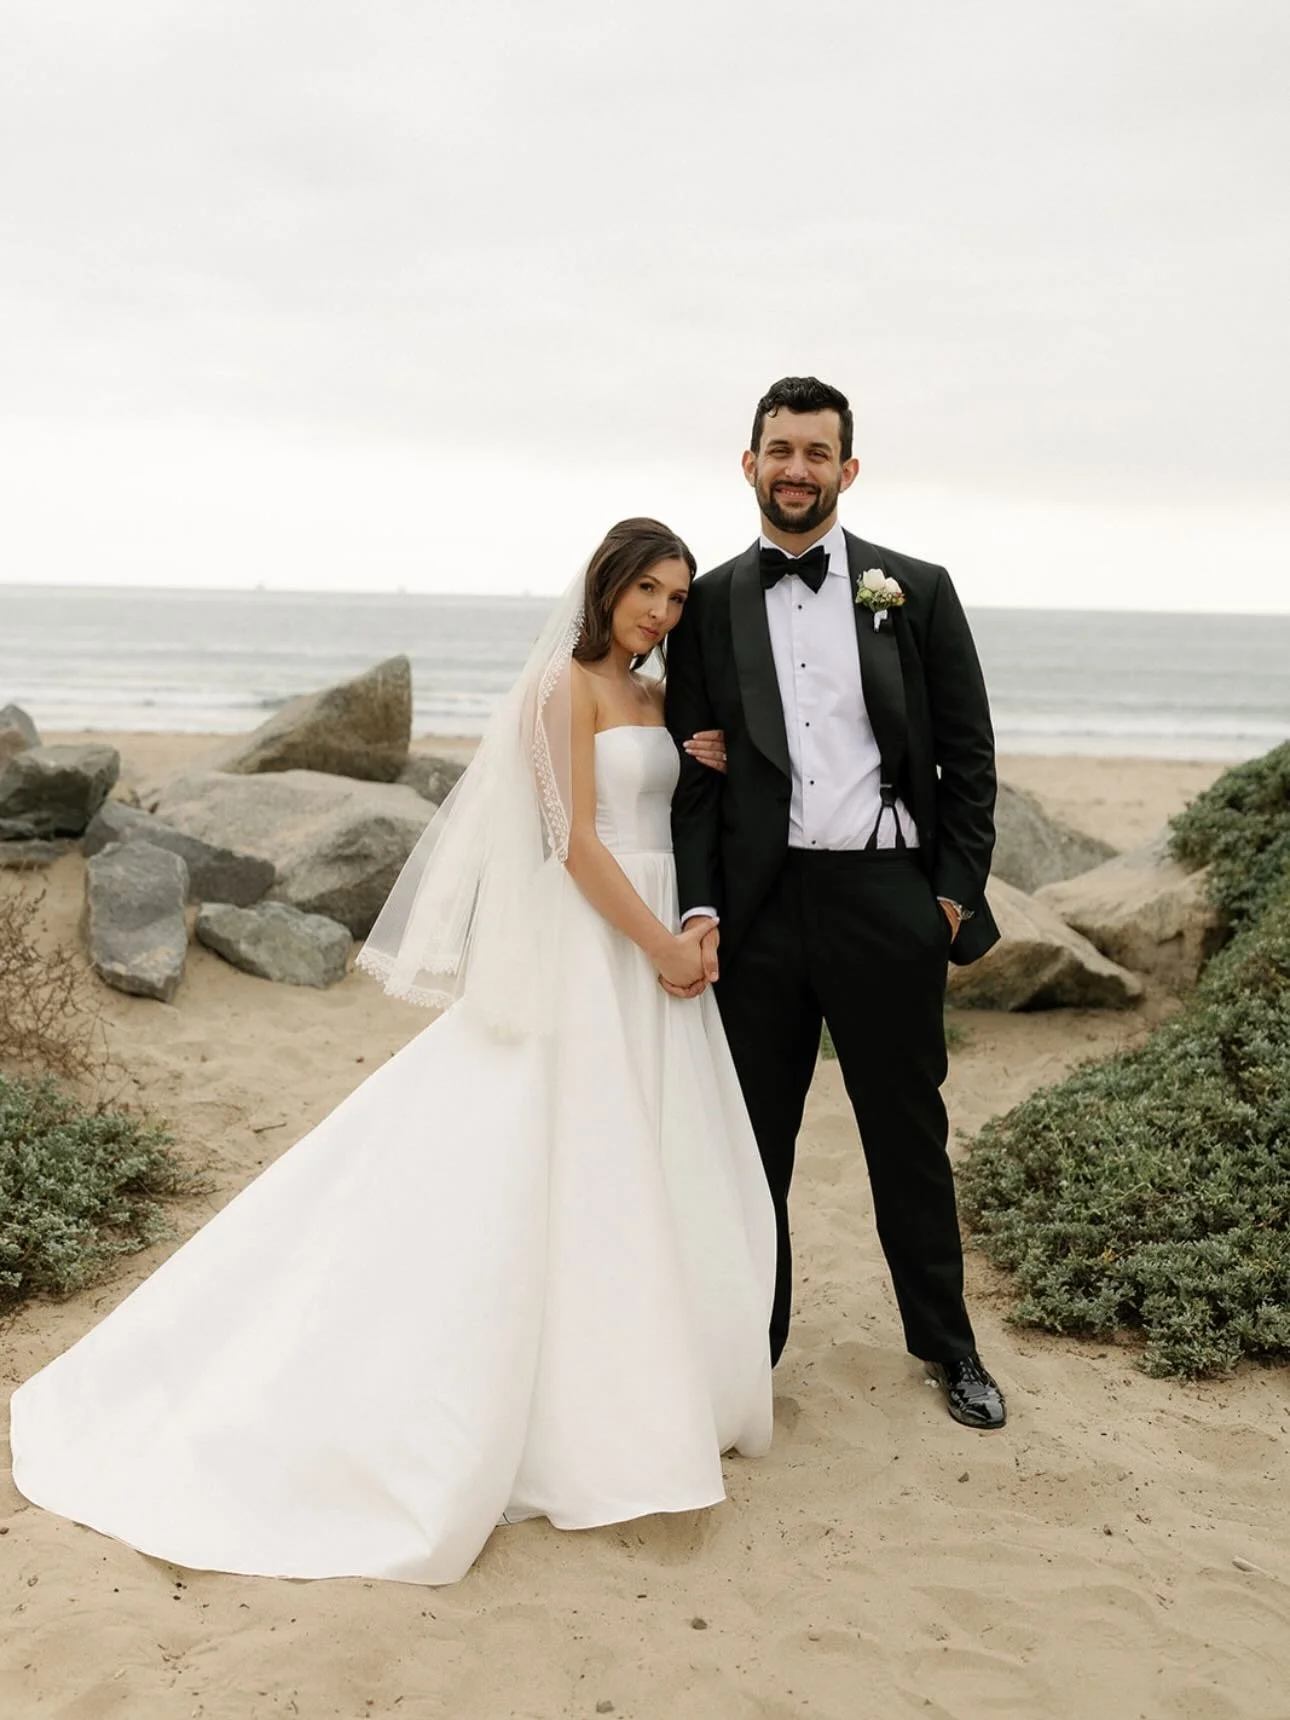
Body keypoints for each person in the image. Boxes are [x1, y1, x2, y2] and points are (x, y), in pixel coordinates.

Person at [9, 519, 776, 1585]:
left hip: (661, 949)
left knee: (649, 1154)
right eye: (647, 588)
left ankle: (656, 1374)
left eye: (679, 597)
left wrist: (695, 894)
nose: (661, 611)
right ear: (604, 586)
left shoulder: (657, 699)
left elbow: (677, 811)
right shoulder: (564, 687)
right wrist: (654, 943)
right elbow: (573, 841)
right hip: (599, 942)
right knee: (554, 1144)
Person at [665, 377, 1007, 1431]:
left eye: (818, 452)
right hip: (762, 916)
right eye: (780, 449)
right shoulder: (709, 601)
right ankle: (748, 1351)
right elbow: (694, 779)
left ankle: (947, 1348)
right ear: (749, 462)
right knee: (752, 1143)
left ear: (847, 470)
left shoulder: (919, 590)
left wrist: (946, 898)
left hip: (884, 899)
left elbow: (969, 757)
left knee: (905, 1135)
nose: (798, 469)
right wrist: (702, 909)